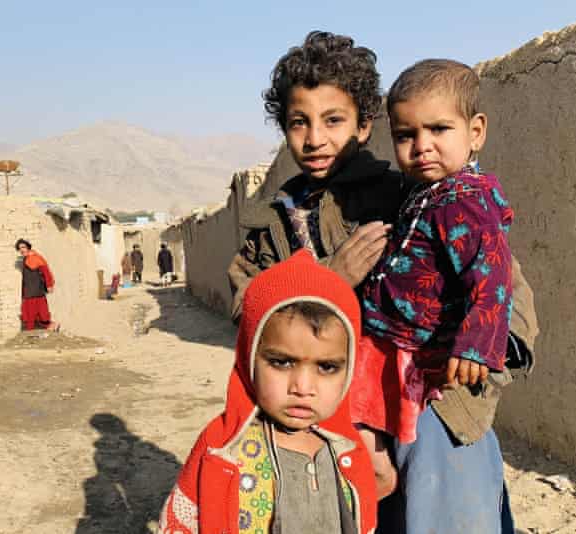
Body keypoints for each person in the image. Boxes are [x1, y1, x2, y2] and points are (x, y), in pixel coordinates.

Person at [226, 31, 538, 531]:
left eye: (333, 121)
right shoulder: (272, 224)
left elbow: (505, 289)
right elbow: (247, 309)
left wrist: (470, 360)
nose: (314, 139)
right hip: (326, 411)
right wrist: (329, 280)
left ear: (364, 126)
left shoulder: (415, 196)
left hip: (435, 400)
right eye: (297, 123)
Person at [353, 59, 519, 534]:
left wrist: (478, 344)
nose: (422, 146)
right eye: (407, 135)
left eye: (439, 129)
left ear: (476, 131)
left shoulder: (464, 199)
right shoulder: (423, 194)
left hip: (432, 362)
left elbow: (491, 275)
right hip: (396, 350)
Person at [159, 250, 377, 533]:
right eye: (282, 362)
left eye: (326, 367)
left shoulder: (348, 451)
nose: (303, 387)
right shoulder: (221, 449)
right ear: (249, 356)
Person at [15, 239, 59, 332]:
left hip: (36, 290)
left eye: (23, 247)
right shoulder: (26, 259)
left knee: (40, 313)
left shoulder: (35, 258)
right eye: (20, 248)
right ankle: (31, 332)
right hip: (29, 290)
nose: (22, 250)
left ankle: (52, 325)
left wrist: (49, 285)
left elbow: (46, 272)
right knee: (28, 313)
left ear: (28, 247)